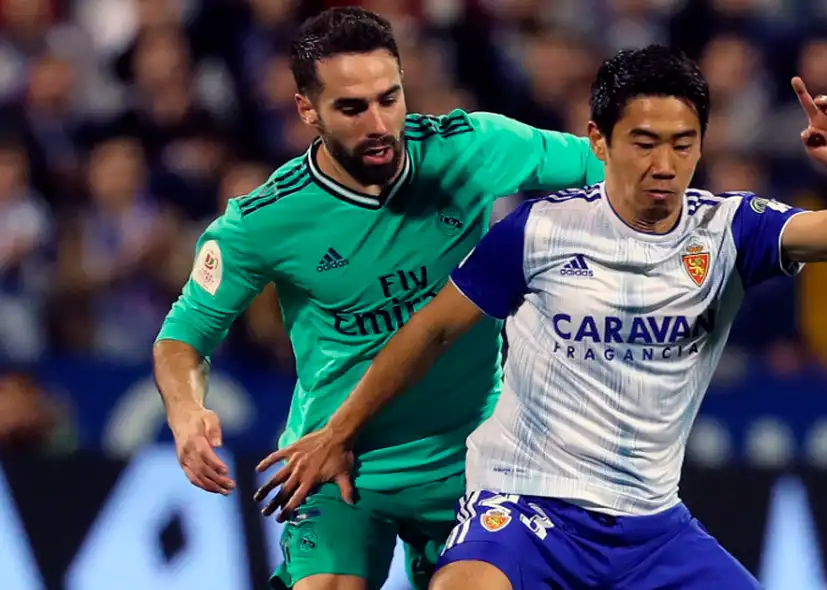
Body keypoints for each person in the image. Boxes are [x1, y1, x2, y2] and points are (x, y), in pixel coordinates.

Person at [254, 45, 827, 590]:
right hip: (526, 503)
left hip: (651, 524)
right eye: (644, 143)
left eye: (683, 144)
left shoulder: (731, 230)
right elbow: (432, 331)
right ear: (599, 140)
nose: (664, 165)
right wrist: (339, 431)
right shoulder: (538, 231)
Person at [153, 7, 604, 590]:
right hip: (337, 457)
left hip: (471, 460)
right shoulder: (264, 220)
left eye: (390, 98)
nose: (380, 123)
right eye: (352, 107)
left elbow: (614, 167)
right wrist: (187, 413)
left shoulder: (471, 150)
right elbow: (183, 338)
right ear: (306, 110)